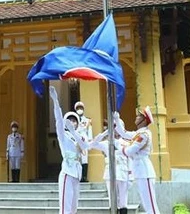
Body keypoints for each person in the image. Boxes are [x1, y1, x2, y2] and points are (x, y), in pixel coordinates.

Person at [49, 86, 89, 214]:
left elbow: (85, 147)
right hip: (67, 171)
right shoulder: (63, 135)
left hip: (77, 172)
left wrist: (75, 132)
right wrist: (56, 101)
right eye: (69, 120)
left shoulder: (81, 135)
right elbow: (58, 121)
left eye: (74, 120)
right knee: (65, 208)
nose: (72, 122)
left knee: (73, 208)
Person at [114, 107, 160, 214]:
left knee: (151, 207)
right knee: (146, 204)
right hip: (140, 172)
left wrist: (118, 149)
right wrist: (116, 119)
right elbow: (124, 133)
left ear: (144, 120)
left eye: (139, 116)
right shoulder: (138, 133)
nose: (136, 117)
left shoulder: (144, 135)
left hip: (145, 172)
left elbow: (130, 151)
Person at [90, 119, 131, 214]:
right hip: (110, 173)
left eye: (117, 127)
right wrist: (104, 134)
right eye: (114, 128)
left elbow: (131, 160)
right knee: (112, 200)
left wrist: (131, 177)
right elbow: (93, 144)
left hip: (123, 173)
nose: (116, 130)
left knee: (123, 201)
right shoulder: (107, 143)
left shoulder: (126, 143)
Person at [75, 101, 93, 182]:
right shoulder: (73, 119)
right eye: (78, 108)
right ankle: (76, 176)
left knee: (84, 159)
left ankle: (84, 177)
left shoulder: (88, 120)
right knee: (76, 158)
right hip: (75, 140)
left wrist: (90, 142)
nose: (79, 109)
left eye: (81, 108)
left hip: (84, 140)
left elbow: (89, 131)